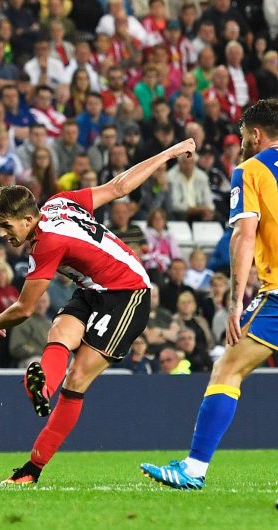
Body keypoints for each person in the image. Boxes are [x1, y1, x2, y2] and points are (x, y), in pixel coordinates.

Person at [0, 136, 196, 484]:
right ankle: (42, 389)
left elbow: (23, 308)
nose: (3, 233)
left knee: (77, 378)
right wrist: (169, 152)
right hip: (93, 288)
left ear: (27, 218)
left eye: (7, 225)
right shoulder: (59, 203)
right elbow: (119, 186)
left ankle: (32, 469)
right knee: (59, 334)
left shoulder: (45, 243)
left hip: (127, 292)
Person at [141, 102, 278, 490]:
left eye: (242, 134)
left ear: (255, 134)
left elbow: (243, 235)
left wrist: (235, 302)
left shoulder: (251, 169)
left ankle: (194, 469)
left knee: (227, 369)